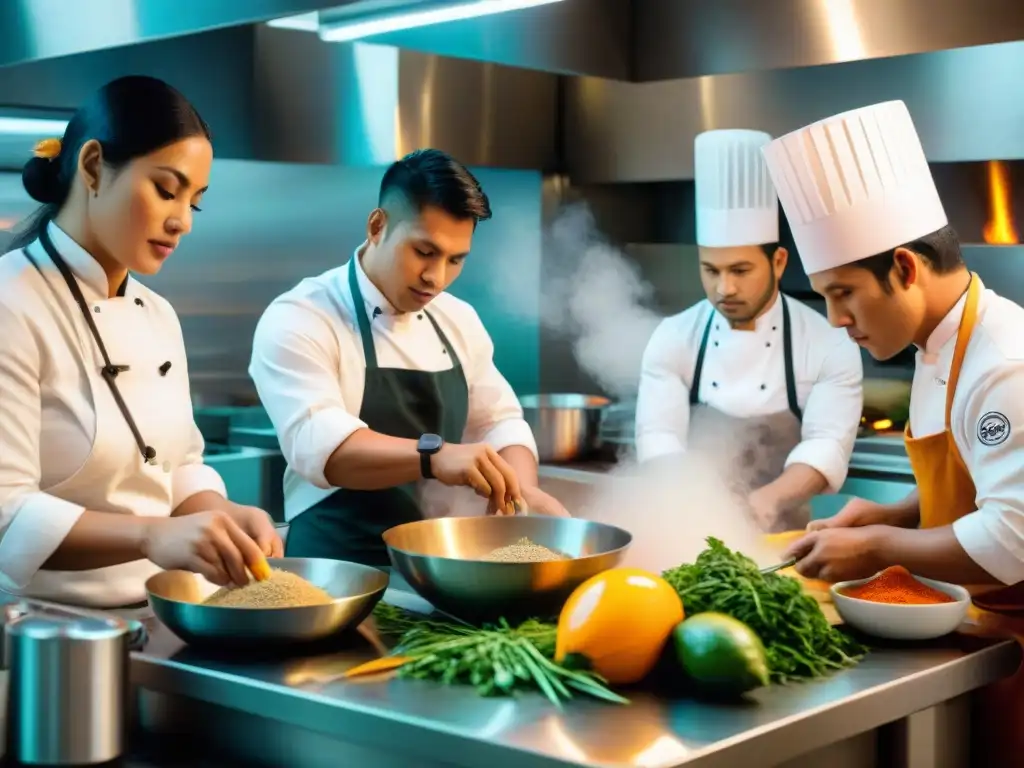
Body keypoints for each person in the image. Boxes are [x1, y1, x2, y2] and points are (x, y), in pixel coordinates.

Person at [765, 100, 1024, 764]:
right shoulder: (938, 346)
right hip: (985, 633)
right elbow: (977, 482)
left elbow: (1014, 537)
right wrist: (894, 513)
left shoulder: (1004, 364)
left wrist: (879, 547)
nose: (834, 318)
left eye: (842, 292)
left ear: (906, 268)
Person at [0, 76, 282, 609]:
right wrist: (153, 535)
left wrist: (218, 514)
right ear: (91, 168)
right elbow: (6, 515)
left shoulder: (158, 314)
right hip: (43, 631)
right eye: (165, 189)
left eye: (194, 203)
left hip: (165, 615)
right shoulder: (9, 303)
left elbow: (175, 468)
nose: (181, 223)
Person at [249, 148, 568, 567]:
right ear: (377, 225)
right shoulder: (302, 316)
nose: (436, 277)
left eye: (455, 260)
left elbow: (498, 421)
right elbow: (320, 447)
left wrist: (520, 490)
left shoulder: (457, 319)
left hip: (440, 567)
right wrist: (435, 457)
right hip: (338, 572)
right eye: (424, 252)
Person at [634, 129, 863, 533]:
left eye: (740, 270)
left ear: (777, 262)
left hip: (785, 540)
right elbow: (659, 436)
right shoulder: (673, 337)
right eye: (711, 270)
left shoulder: (827, 341)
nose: (725, 289)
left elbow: (827, 444)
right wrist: (698, 503)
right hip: (689, 528)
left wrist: (767, 502)